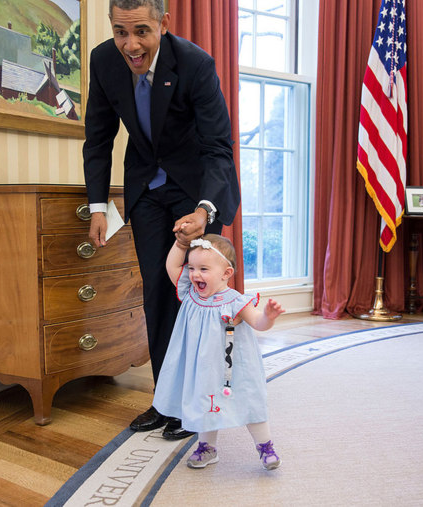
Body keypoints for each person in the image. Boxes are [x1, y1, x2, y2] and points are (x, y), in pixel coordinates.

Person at [83, 0, 241, 440]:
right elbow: (97, 138)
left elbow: (218, 147)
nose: (130, 45)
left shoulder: (194, 64)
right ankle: (166, 400)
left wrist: (205, 210)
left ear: (162, 24)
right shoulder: (103, 61)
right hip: (146, 191)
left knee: (198, 295)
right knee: (157, 291)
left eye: (141, 32)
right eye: (120, 32)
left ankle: (199, 402)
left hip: (195, 189)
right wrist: (98, 207)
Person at [152, 234, 284, 470]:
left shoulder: (235, 301)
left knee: (249, 401)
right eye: (192, 267)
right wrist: (180, 244)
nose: (194, 274)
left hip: (232, 368)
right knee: (205, 403)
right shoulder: (190, 294)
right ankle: (208, 448)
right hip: (201, 367)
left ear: (226, 274)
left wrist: (268, 317)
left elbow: (257, 323)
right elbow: (172, 265)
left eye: (203, 269)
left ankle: (265, 446)